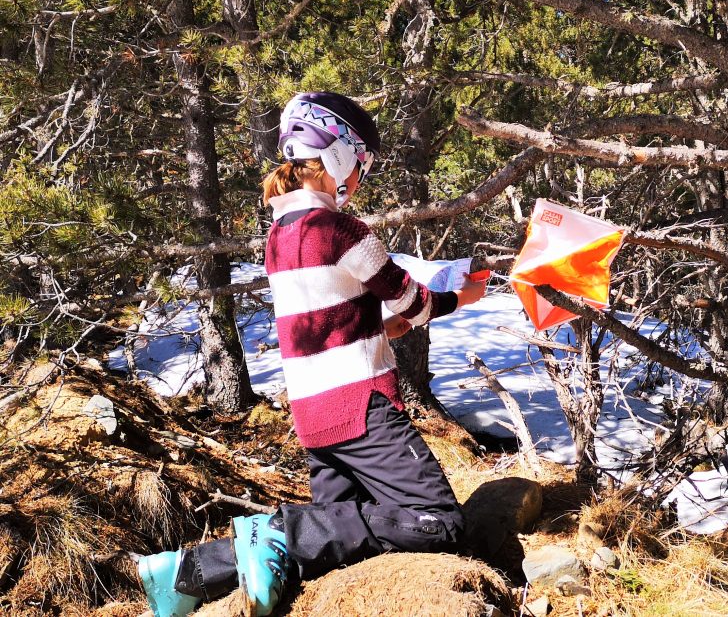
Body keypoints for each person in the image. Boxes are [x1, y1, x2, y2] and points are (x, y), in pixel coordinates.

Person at [137, 91, 487, 617]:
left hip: (312, 413)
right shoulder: (342, 230)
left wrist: (379, 327)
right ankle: (275, 530)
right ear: (339, 156)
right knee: (436, 520)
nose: (360, 178)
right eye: (361, 165)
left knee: (331, 536)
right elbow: (415, 303)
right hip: (360, 407)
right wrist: (463, 295)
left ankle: (187, 572)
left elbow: (325, 321)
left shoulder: (279, 235)